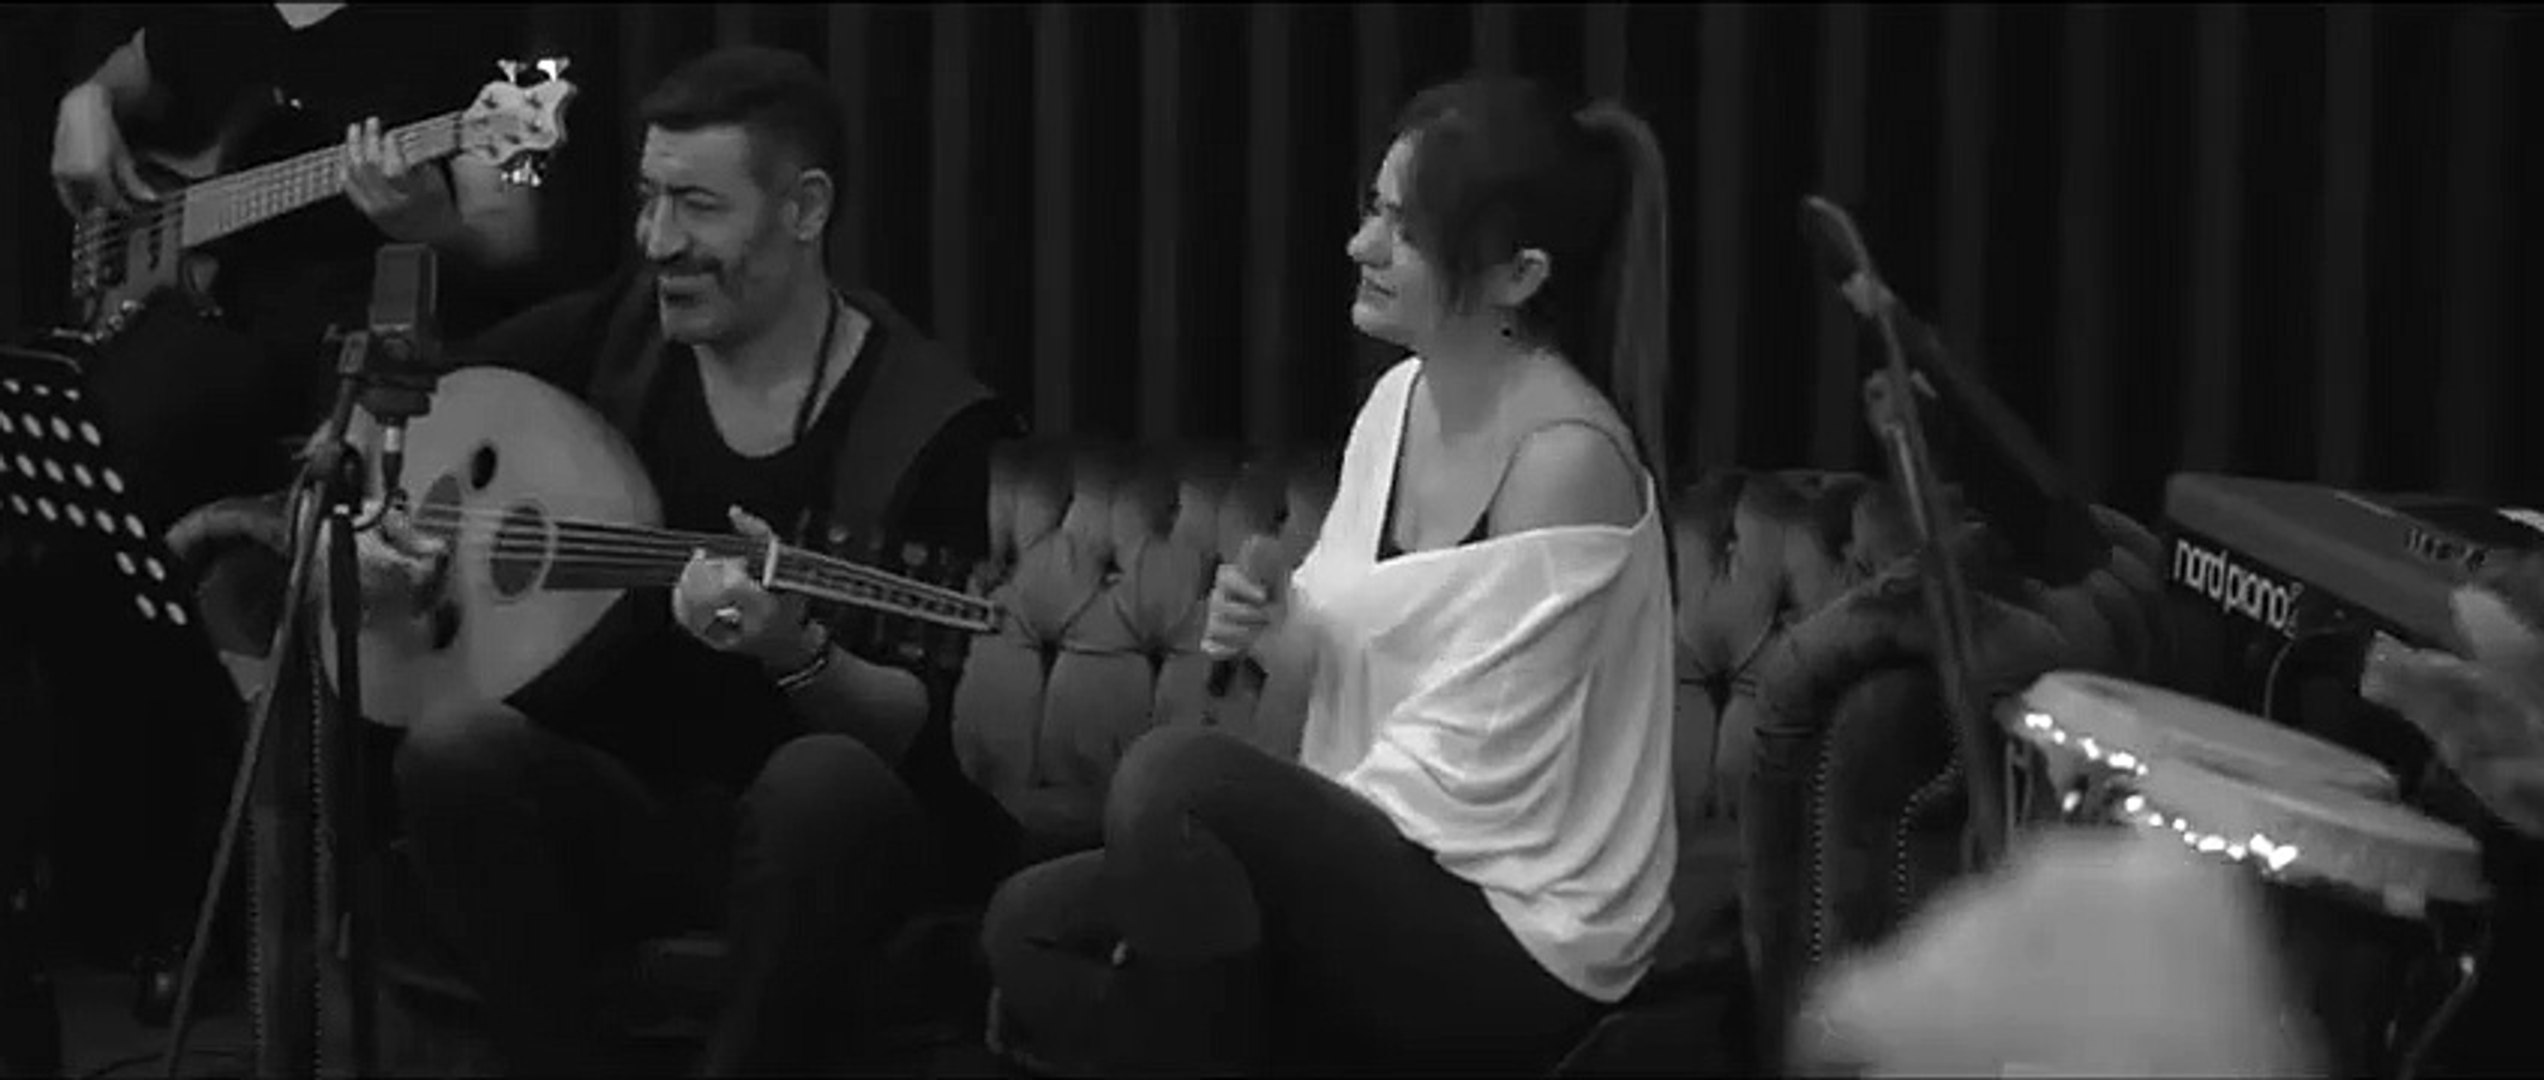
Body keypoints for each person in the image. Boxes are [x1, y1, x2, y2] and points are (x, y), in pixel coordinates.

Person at [327, 44, 1020, 1075]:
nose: (658, 241)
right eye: (649, 200)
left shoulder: (926, 423)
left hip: (834, 844)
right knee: (455, 747)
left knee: (821, 782)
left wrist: (794, 655)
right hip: (636, 816)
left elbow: (914, 733)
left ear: (805, 209)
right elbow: (408, 413)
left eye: (697, 206)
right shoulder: (618, 336)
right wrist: (372, 525)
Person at [978, 75, 1679, 1076]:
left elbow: (1476, 774)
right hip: (1388, 865)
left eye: (1406, 230)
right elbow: (1343, 665)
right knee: (1028, 925)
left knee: (1174, 788)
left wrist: (1263, 854)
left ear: (1518, 276)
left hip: (1516, 931)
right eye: (1373, 210)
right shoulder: (1398, 402)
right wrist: (1284, 628)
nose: (1361, 247)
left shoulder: (1564, 462)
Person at [33, 0, 571, 1024]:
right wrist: (82, 103)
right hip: (202, 326)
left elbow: (515, 235)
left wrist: (432, 224)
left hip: (361, 344)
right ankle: (144, 900)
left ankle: (296, 926)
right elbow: (121, 76)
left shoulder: (483, 31)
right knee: (83, 513)